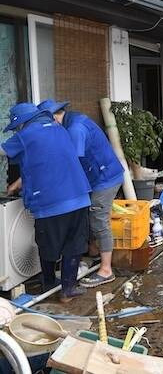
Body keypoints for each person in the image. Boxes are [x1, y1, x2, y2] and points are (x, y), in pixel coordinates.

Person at [0, 103, 91, 302]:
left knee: (48, 244)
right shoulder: (59, 130)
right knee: (73, 244)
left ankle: (49, 284)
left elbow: (3, 151)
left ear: (22, 123)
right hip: (79, 197)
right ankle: (68, 289)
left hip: (52, 202)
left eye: (16, 127)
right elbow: (46, 162)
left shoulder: (25, 135)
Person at [38, 99, 124, 288]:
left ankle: (106, 270)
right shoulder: (70, 121)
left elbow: (72, 162)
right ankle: (93, 254)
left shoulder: (75, 129)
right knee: (87, 215)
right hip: (95, 176)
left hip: (105, 178)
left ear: (53, 117)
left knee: (98, 218)